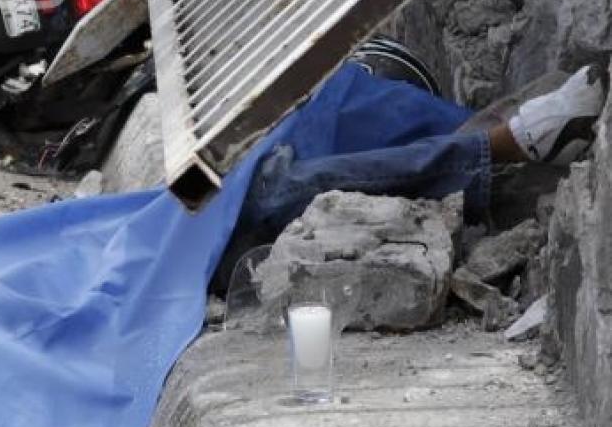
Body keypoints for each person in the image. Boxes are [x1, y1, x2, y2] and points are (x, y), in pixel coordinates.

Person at [219, 63, 608, 283]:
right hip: (199, 248)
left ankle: (500, 143)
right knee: (274, 193)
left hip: (191, 214)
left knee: (292, 151)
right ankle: (506, 145)